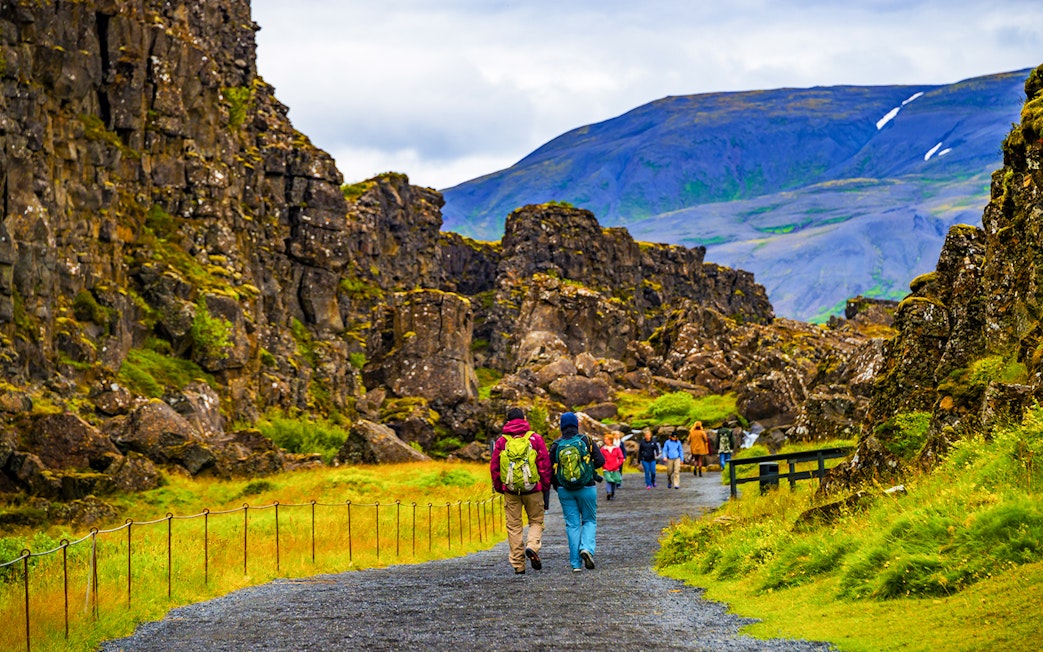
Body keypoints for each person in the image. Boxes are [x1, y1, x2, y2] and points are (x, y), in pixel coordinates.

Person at [490, 407, 552, 575]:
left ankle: (518, 565)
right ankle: (532, 546)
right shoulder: (535, 439)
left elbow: (494, 467)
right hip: (533, 489)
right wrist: (544, 486)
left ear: (508, 421)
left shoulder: (502, 441)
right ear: (524, 418)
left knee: (514, 526)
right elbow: (544, 465)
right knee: (536, 521)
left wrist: (500, 487)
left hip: (510, 490)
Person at [550, 412, 605, 572]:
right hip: (587, 487)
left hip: (565, 490)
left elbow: (549, 468)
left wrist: (556, 484)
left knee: (572, 525)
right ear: (577, 425)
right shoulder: (585, 440)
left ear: (561, 426)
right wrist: (587, 470)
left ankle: (575, 564)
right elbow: (601, 460)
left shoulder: (556, 445)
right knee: (589, 520)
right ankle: (586, 548)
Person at [600, 433, 625, 500]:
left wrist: (617, 464)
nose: (605, 441)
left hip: (615, 468)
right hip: (606, 468)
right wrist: (604, 465)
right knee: (608, 480)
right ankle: (608, 492)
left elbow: (621, 458)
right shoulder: (602, 449)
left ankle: (612, 493)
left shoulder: (616, 448)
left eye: (607, 439)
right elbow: (600, 458)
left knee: (614, 481)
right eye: (604, 439)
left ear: (611, 440)